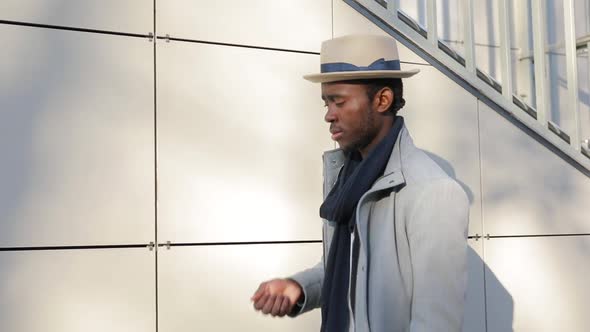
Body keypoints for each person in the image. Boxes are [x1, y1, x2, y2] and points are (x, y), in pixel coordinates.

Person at [251, 34, 469, 331]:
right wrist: (299, 287)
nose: (329, 115)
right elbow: (348, 269)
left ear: (382, 100)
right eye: (326, 103)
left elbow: (436, 324)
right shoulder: (350, 178)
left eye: (338, 102)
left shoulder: (431, 191)